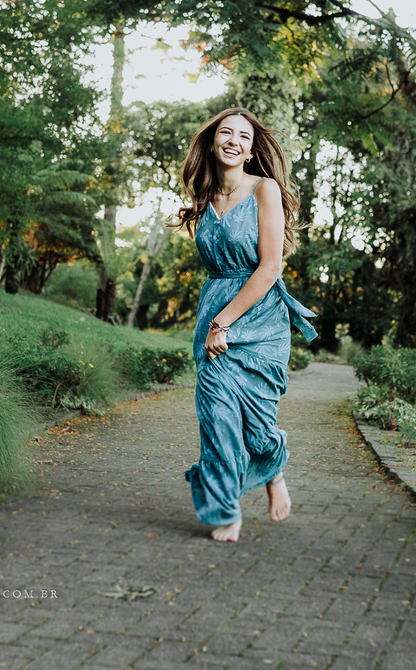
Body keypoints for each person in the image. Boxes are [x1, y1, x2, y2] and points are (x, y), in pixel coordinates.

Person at [170, 107, 316, 543]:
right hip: (216, 311)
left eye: (243, 136)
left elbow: (270, 267)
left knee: (256, 423)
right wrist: (216, 323)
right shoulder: (205, 195)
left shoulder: (265, 189)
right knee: (216, 416)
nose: (234, 140)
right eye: (226, 133)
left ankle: (273, 466)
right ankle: (224, 510)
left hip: (259, 320)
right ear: (213, 141)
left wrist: (224, 322)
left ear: (252, 150)